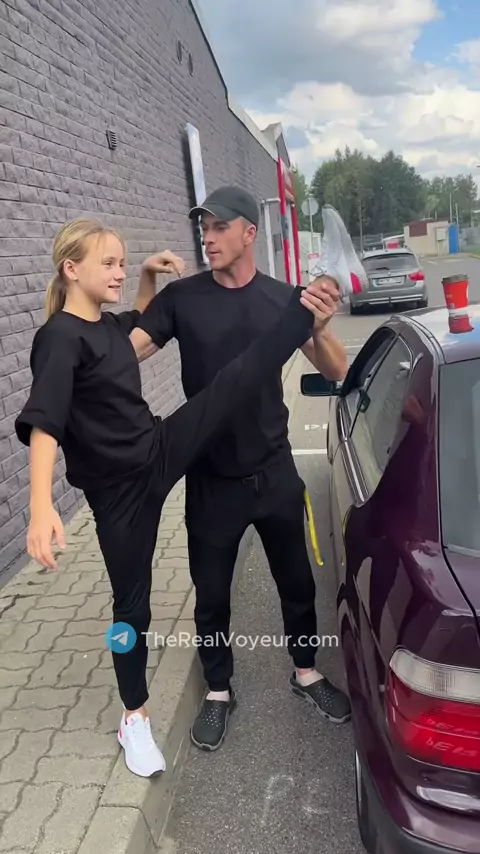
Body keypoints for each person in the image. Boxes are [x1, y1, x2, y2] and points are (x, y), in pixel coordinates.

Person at [14, 217, 335, 778]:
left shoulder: (106, 326)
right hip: (118, 494)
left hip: (158, 448)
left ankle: (301, 313)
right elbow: (45, 422)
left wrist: (143, 274)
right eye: (108, 264)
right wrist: (41, 508)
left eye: (121, 263)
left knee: (234, 381)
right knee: (131, 609)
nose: (118, 272)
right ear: (71, 269)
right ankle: (134, 716)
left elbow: (137, 319)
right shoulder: (59, 338)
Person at [129, 186, 353, 753]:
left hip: (274, 472)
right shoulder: (182, 299)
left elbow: (336, 369)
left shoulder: (284, 300)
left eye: (219, 226)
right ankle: (218, 689)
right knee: (210, 596)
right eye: (203, 227)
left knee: (297, 584)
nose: (207, 237)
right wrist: (142, 283)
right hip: (211, 480)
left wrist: (319, 328)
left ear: (249, 232)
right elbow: (129, 350)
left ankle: (307, 671)